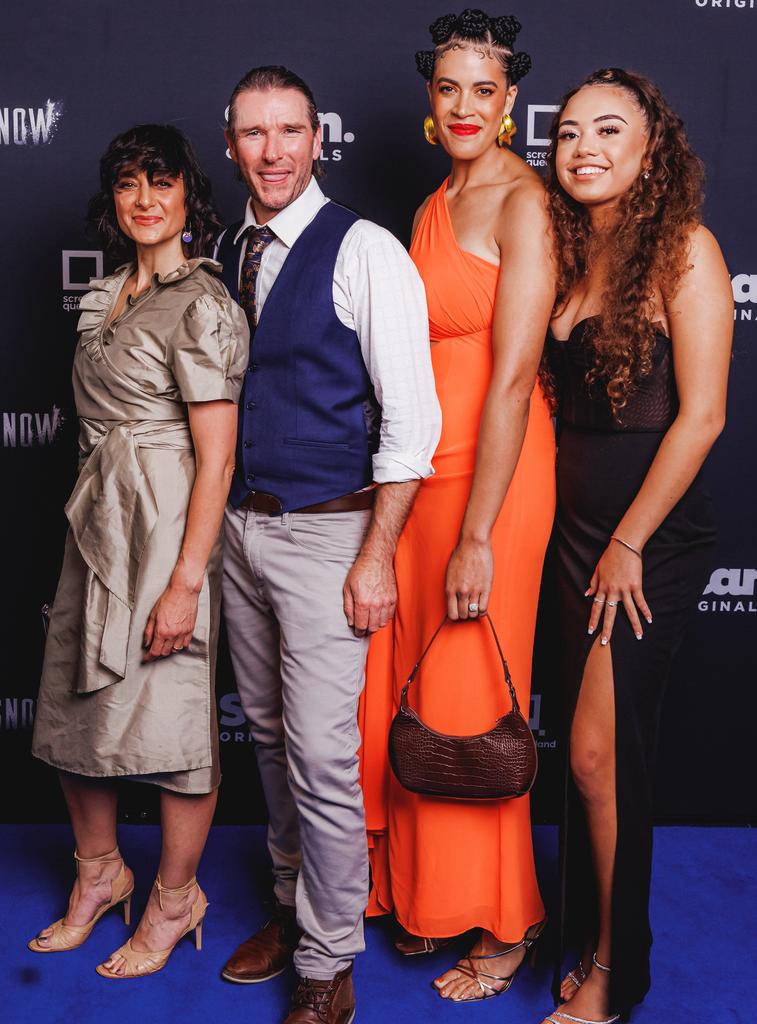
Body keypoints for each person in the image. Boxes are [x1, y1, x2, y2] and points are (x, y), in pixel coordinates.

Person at [216, 66, 440, 1024]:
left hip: (329, 534)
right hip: (240, 530)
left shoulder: (368, 251)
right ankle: (291, 904)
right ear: (232, 144)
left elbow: (412, 420)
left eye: (289, 133)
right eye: (253, 134)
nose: (272, 152)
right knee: (267, 739)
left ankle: (328, 953)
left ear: (318, 141)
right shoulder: (231, 247)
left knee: (320, 753)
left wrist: (376, 553)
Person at [360, 9, 557, 1003]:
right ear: (430, 103)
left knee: (475, 694)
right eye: (450, 89)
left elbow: (515, 375)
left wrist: (478, 529)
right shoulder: (439, 198)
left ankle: (506, 921)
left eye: (486, 89)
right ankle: (428, 897)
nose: (467, 106)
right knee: (415, 682)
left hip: (497, 476)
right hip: (425, 469)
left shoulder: (522, 201)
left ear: (511, 100)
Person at [29, 124, 249, 978]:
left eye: (162, 183)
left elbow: (218, 455)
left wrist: (187, 580)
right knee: (74, 704)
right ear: (113, 200)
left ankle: (173, 898)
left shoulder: (202, 303)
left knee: (171, 717)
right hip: (99, 521)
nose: (146, 199)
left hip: (166, 527)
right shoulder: (108, 294)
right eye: (128, 184)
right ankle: (99, 875)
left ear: (190, 195)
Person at [537, 68, 732, 1024]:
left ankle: (619, 972)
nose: (585, 148)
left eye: (609, 131)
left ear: (652, 150)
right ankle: (587, 934)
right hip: (571, 535)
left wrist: (628, 543)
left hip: (645, 543)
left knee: (595, 754)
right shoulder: (572, 254)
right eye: (569, 133)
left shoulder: (684, 252)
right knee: (587, 759)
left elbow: (702, 419)